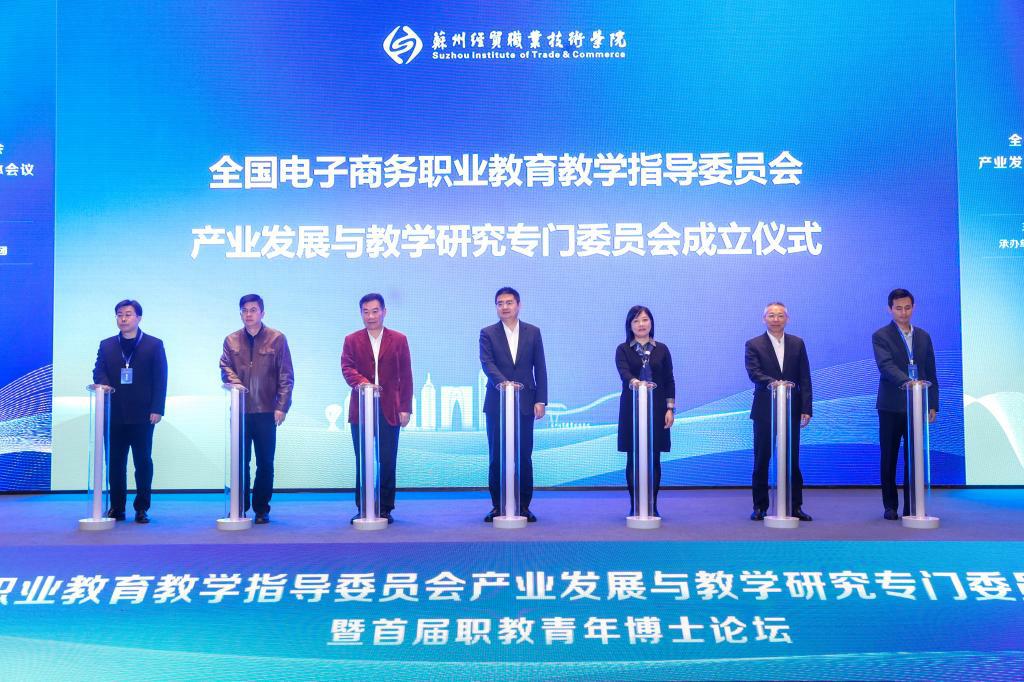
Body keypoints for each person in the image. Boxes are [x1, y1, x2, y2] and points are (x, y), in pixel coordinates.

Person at [219, 294, 294, 525]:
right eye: (244, 310)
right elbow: (224, 366)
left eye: (253, 310)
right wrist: (237, 385)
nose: (248, 314)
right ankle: (239, 507)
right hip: (240, 411)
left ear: (262, 312)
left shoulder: (277, 338)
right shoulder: (231, 340)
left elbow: (286, 375)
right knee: (240, 462)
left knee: (265, 463)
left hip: (266, 410)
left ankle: (262, 509)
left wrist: (282, 406)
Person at [92, 299, 167, 524]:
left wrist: (157, 408)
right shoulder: (107, 345)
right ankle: (117, 507)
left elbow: (160, 378)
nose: (123, 318)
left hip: (143, 415)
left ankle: (142, 508)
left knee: (143, 462)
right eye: (119, 315)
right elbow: (98, 371)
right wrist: (105, 385)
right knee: (115, 463)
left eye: (128, 314)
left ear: (139, 318)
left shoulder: (154, 344)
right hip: (113, 413)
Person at [341, 293, 414, 524]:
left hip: (390, 409)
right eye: (366, 312)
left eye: (375, 311)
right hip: (361, 410)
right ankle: (363, 507)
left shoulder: (399, 339)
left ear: (384, 312)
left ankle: (384, 508)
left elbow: (406, 375)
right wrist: (364, 384)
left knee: (387, 460)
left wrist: (405, 407)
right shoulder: (351, 340)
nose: (370, 316)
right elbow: (347, 368)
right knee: (362, 460)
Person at [479, 287, 548, 522]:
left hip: (525, 402)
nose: (504, 307)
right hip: (496, 403)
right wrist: (504, 384)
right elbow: (487, 363)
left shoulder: (533, 332)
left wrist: (541, 399)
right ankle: (498, 506)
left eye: (509, 302)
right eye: (500, 303)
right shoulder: (487, 333)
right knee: (497, 457)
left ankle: (523, 506)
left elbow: (540, 367)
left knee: (524, 456)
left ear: (518, 305)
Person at [872, 288, 938, 520]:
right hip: (890, 406)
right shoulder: (881, 336)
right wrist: (909, 382)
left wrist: (932, 403)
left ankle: (913, 505)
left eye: (907, 308)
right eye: (898, 308)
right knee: (889, 457)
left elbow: (930, 370)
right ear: (890, 309)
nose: (903, 312)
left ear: (913, 308)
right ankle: (890, 506)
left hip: (917, 405)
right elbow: (886, 366)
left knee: (914, 458)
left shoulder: (924, 336)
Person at [744, 302, 813, 521]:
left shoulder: (797, 343)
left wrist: (806, 407)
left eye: (780, 315)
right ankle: (760, 506)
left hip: (791, 409)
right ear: (764, 319)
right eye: (771, 315)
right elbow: (754, 373)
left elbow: (804, 377)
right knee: (762, 459)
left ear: (787, 319)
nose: (776, 319)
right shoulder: (753, 344)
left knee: (792, 460)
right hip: (764, 411)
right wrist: (776, 383)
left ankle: (795, 506)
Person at [615, 306, 675, 517]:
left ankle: (652, 505)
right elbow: (624, 373)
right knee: (633, 458)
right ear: (630, 325)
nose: (641, 324)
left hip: (657, 410)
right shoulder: (623, 349)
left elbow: (669, 380)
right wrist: (636, 383)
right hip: (631, 409)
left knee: (654, 458)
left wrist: (670, 408)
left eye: (644, 320)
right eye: (636, 321)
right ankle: (635, 505)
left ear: (651, 322)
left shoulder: (662, 349)